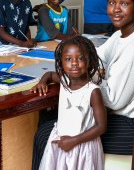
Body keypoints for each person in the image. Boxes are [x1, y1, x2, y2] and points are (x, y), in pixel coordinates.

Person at [31, 0, 134, 169]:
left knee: (46, 134)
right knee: (50, 119)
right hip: (130, 116)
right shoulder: (121, 34)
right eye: (111, 2)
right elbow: (94, 58)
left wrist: (80, 77)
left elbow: (114, 99)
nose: (115, 9)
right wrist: (86, 71)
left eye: (124, 3)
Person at [32, 36, 106, 170]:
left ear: (89, 61)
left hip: (82, 147)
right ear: (61, 63)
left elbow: (101, 126)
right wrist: (42, 82)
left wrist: (74, 141)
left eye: (80, 58)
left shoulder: (93, 92)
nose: (74, 63)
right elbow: (49, 74)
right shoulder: (65, 81)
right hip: (61, 142)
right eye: (68, 59)